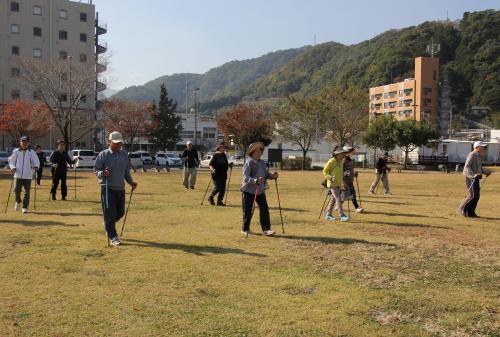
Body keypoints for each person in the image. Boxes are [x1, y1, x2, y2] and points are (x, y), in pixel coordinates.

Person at [95, 131, 138, 246]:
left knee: (120, 213)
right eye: (116, 143)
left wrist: (131, 182)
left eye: (119, 143)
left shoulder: (124, 155)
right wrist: (103, 173)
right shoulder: (103, 155)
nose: (118, 145)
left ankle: (107, 225)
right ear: (109, 142)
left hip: (120, 189)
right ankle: (113, 237)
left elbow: (126, 172)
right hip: (108, 188)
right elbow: (96, 171)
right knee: (109, 213)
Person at [241, 142, 279, 236]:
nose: (259, 153)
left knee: (264, 209)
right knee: (248, 211)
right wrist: (255, 180)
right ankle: (245, 229)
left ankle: (266, 229)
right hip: (248, 191)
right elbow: (245, 177)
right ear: (252, 152)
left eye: (260, 151)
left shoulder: (262, 162)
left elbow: (265, 174)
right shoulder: (249, 162)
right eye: (257, 151)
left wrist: (273, 176)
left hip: (260, 190)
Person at [459, 141, 492, 218]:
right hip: (471, 177)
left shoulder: (478, 156)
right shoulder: (472, 154)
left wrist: (486, 172)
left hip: (476, 177)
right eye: (482, 146)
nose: (483, 148)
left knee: (476, 196)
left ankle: (471, 213)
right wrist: (473, 175)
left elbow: (478, 168)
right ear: (477, 147)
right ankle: (464, 210)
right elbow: (467, 166)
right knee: (474, 195)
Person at [8, 136, 40, 214]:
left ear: (29, 143)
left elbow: (36, 161)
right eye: (23, 142)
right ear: (20, 143)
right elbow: (11, 161)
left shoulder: (32, 152)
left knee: (27, 192)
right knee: (16, 190)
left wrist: (36, 166)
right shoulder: (16, 151)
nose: (24, 143)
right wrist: (12, 167)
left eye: (26, 142)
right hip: (18, 175)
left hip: (28, 175)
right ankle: (18, 201)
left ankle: (25, 207)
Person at [323, 148, 349, 222]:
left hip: (338, 183)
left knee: (333, 199)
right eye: (342, 154)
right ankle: (342, 215)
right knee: (338, 198)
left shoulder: (341, 161)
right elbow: (325, 171)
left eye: (343, 154)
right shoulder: (331, 161)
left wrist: (344, 174)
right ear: (337, 154)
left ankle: (328, 214)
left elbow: (339, 173)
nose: (343, 155)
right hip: (332, 183)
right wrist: (330, 177)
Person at [342, 146, 364, 213]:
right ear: (346, 152)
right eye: (350, 151)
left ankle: (338, 205)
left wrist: (354, 173)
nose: (352, 152)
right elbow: (340, 170)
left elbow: (350, 169)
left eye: (352, 151)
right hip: (345, 179)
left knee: (345, 194)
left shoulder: (349, 159)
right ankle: (357, 207)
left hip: (350, 178)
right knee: (352, 192)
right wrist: (345, 173)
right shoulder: (343, 159)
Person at [208, 142, 230, 206]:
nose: (224, 149)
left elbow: (225, 164)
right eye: (223, 147)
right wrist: (212, 169)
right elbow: (210, 164)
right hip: (216, 174)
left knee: (223, 189)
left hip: (223, 174)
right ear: (219, 148)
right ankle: (210, 197)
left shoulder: (224, 155)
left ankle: (219, 201)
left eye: (224, 148)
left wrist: (229, 165)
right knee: (217, 188)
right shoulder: (216, 155)